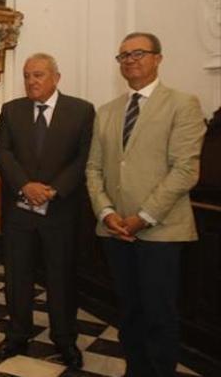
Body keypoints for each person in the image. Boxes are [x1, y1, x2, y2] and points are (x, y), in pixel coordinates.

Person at [86, 32, 206, 377]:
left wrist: (143, 216)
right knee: (129, 312)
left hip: (161, 231)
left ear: (157, 58)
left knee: (159, 314)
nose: (130, 60)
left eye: (138, 53)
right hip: (115, 229)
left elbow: (185, 170)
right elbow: (94, 169)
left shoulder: (183, 104)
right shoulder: (107, 112)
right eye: (123, 56)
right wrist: (107, 212)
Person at [0, 54, 94, 368]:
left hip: (60, 211)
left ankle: (65, 339)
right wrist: (26, 185)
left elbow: (84, 158)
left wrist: (53, 189)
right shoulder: (11, 110)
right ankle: (17, 333)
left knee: (61, 277)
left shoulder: (81, 111)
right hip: (20, 211)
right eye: (27, 76)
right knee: (16, 276)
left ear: (56, 78)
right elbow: (2, 153)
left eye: (38, 75)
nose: (31, 81)